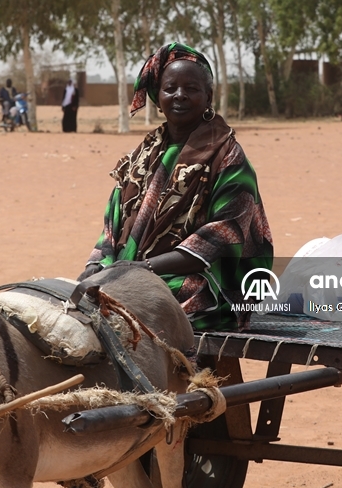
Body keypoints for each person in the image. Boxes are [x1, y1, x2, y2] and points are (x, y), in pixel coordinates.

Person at [78, 43, 273, 331]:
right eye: (170, 88)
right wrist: (96, 264)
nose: (179, 95)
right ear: (158, 98)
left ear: (208, 97)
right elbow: (113, 222)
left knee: (162, 302)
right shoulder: (143, 155)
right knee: (81, 297)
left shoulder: (228, 155)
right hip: (130, 271)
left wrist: (144, 269)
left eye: (191, 88)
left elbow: (224, 233)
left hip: (211, 280)